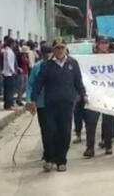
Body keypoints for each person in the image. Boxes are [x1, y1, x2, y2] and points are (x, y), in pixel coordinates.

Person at [29, 40, 87, 172]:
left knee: (65, 133)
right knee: (50, 132)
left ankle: (61, 160)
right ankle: (49, 159)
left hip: (66, 104)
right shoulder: (47, 65)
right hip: (50, 104)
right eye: (57, 48)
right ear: (54, 50)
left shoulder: (73, 63)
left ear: (66, 49)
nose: (60, 50)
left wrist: (83, 94)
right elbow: (39, 83)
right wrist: (33, 99)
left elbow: (78, 81)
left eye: (62, 48)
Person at [26, 45, 52, 161]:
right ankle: (47, 151)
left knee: (56, 129)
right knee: (45, 129)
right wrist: (29, 101)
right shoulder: (37, 67)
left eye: (49, 53)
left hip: (56, 103)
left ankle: (55, 151)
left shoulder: (57, 66)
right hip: (41, 103)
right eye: (45, 53)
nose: (48, 55)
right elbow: (30, 84)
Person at [2, 38, 17, 110]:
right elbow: (9, 62)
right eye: (13, 43)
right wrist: (12, 70)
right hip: (8, 73)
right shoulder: (8, 51)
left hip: (8, 72)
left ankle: (8, 104)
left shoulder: (8, 50)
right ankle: (8, 104)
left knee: (8, 90)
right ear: (11, 43)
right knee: (9, 90)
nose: (14, 45)